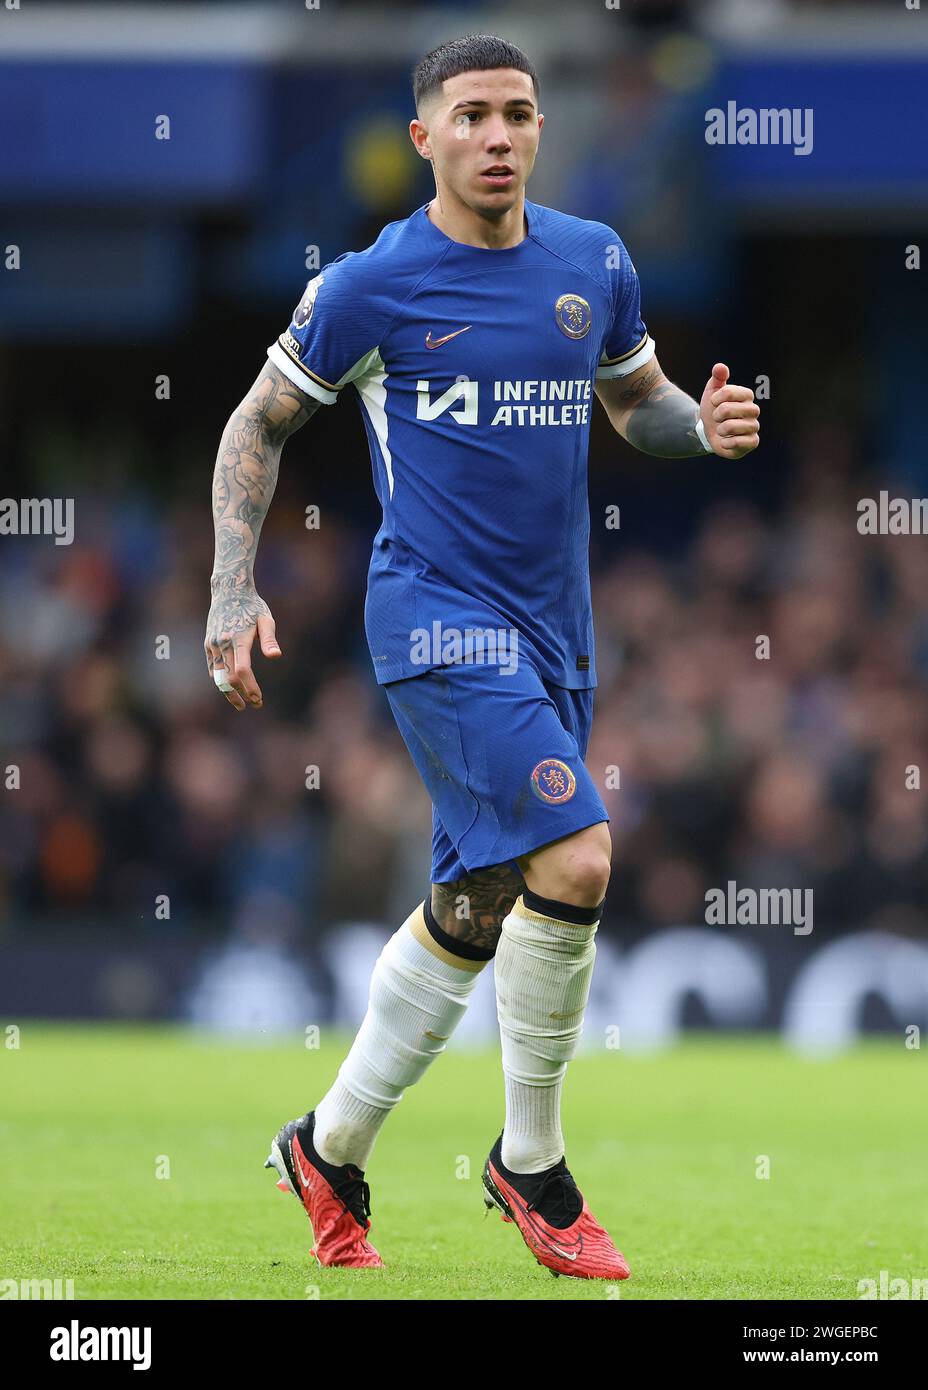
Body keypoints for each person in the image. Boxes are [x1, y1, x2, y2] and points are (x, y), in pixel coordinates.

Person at [204, 33, 760, 1282]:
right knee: (579, 852)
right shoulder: (371, 284)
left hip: (557, 631)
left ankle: (328, 1145)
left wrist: (705, 429)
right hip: (433, 619)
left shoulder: (591, 260)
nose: (497, 135)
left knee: (477, 902)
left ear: (540, 127)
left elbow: (638, 403)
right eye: (470, 116)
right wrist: (231, 587)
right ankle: (532, 1163)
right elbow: (257, 421)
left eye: (517, 112)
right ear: (425, 139)